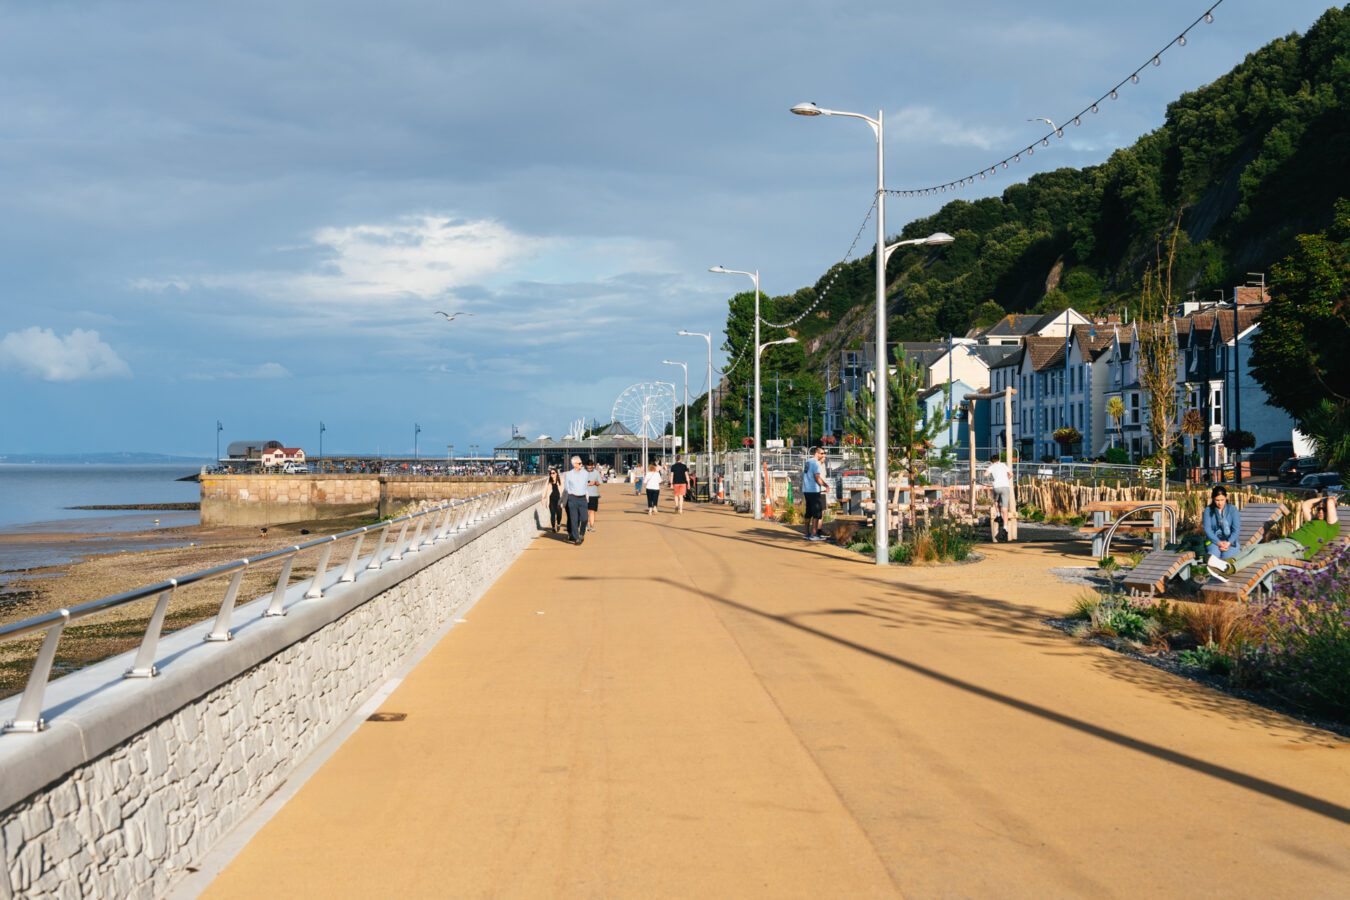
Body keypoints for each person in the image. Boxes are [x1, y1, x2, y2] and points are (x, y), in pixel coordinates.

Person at [1208, 493, 1339, 580]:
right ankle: (1227, 563)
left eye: (1324, 510)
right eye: (1319, 509)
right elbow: (1306, 505)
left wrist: (1329, 500)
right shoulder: (1312, 520)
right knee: (1252, 547)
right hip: (1286, 543)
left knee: (1261, 551)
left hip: (1298, 549)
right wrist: (1322, 500)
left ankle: (1230, 571)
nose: (1321, 511)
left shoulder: (1331, 526)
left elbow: (1331, 504)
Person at [1202, 485, 1241, 564]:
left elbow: (1236, 530)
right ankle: (1211, 574)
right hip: (1213, 540)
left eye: (1222, 500)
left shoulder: (1232, 509)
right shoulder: (1208, 510)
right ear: (1213, 499)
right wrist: (1218, 542)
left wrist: (1228, 543)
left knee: (1226, 560)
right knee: (1213, 558)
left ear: (1226, 498)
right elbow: (1207, 530)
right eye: (1217, 500)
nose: (1220, 503)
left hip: (1230, 541)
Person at [802, 445, 829, 541]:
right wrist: (825, 485)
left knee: (808, 512)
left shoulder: (808, 462)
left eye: (824, 453)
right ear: (817, 453)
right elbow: (817, 477)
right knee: (817, 513)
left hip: (806, 489)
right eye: (822, 453)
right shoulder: (815, 463)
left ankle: (806, 533)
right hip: (813, 490)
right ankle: (814, 534)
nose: (823, 455)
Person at [985, 452, 1013, 540]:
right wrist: (1006, 479)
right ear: (999, 460)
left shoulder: (992, 466)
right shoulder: (1003, 465)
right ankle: (1005, 528)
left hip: (997, 486)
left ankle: (998, 514)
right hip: (1005, 486)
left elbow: (985, 474)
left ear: (991, 461)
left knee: (996, 501)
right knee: (1005, 508)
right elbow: (1011, 474)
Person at [562, 455, 590, 544]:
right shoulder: (568, 474)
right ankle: (576, 538)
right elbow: (566, 487)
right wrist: (570, 495)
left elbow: (586, 485)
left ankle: (582, 533)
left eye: (581, 463)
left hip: (582, 498)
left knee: (584, 518)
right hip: (572, 498)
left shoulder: (585, 473)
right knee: (574, 520)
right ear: (574, 464)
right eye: (579, 463)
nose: (581, 464)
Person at [541, 468, 563, 533]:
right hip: (551, 500)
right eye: (551, 473)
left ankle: (558, 523)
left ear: (556, 473)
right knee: (552, 513)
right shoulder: (548, 481)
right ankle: (553, 527)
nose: (552, 474)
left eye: (553, 473)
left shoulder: (560, 481)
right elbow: (545, 489)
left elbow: (564, 490)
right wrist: (542, 498)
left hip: (559, 500)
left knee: (559, 514)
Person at [585, 459, 602, 533]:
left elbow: (600, 482)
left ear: (593, 466)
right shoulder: (582, 472)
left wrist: (594, 483)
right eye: (588, 468)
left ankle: (591, 526)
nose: (589, 469)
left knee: (592, 511)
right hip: (584, 494)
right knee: (585, 511)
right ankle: (585, 525)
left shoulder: (596, 472)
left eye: (591, 468)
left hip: (594, 494)